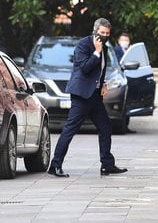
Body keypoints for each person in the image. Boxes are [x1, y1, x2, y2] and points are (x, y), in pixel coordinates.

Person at [48, 18, 128, 177]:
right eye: (102, 33)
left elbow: (100, 69)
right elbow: (84, 68)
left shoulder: (104, 47)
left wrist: (103, 83)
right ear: (95, 31)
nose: (104, 36)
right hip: (81, 94)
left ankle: (107, 165)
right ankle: (55, 165)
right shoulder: (84, 45)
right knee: (70, 129)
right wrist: (96, 52)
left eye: (107, 34)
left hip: (95, 95)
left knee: (105, 127)